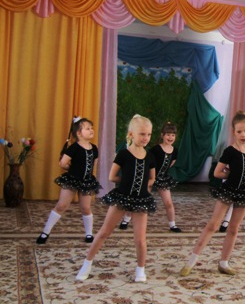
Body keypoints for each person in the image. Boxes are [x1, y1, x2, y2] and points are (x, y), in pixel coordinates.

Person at [75, 114, 156, 283]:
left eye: (148, 134)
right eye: (142, 134)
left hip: (141, 200)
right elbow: (112, 177)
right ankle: (87, 263)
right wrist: (126, 180)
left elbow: (152, 178)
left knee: (140, 239)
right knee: (105, 232)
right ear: (131, 134)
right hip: (122, 197)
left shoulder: (150, 156)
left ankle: (140, 269)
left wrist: (142, 186)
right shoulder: (123, 154)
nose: (146, 138)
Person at [180, 111, 245, 277]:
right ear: (233, 132)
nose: (243, 135)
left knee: (234, 229)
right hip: (228, 191)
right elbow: (217, 172)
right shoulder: (230, 151)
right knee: (213, 225)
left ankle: (224, 263)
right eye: (239, 131)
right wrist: (231, 174)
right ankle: (191, 261)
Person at [36, 117, 101, 244]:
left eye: (92, 128)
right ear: (79, 133)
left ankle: (89, 234)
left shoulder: (94, 148)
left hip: (87, 181)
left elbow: (94, 163)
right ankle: (45, 232)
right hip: (72, 180)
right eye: (88, 128)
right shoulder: (74, 148)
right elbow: (63, 163)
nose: (91, 130)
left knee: (86, 207)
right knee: (61, 205)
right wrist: (72, 169)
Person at [149, 121, 182, 232]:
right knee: (141, 199)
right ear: (162, 135)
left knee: (168, 203)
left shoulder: (175, 150)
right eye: (168, 134)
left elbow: (171, 163)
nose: (170, 137)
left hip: (163, 179)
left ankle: (173, 225)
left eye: (173, 135)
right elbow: (148, 163)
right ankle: (126, 220)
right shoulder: (155, 149)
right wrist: (151, 178)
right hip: (150, 177)